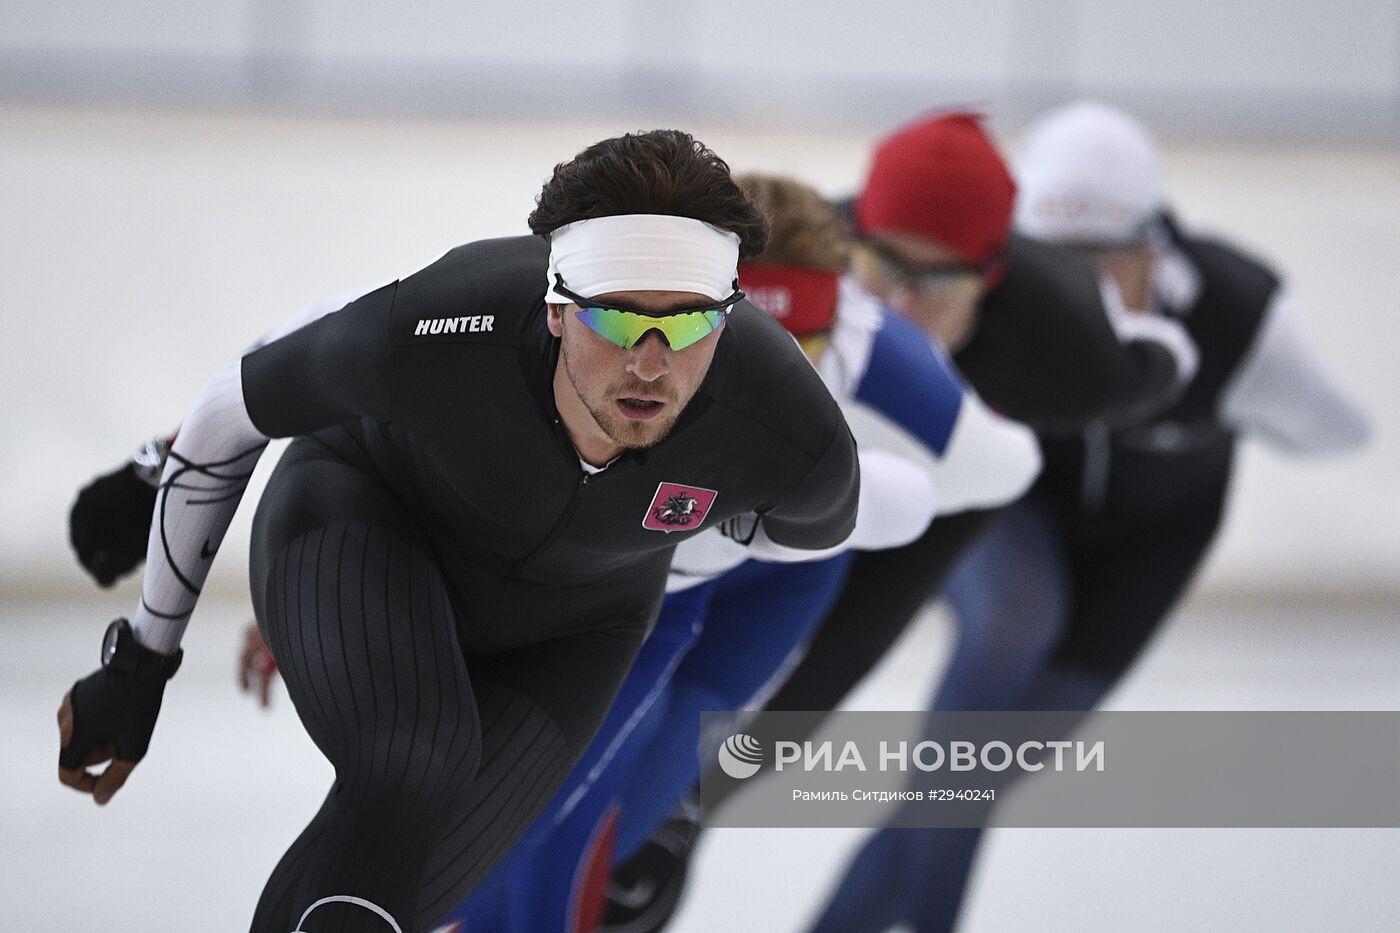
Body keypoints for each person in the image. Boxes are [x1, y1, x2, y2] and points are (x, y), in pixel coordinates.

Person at [55, 129, 863, 933]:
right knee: (416, 760)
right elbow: (234, 406)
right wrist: (142, 662)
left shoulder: (785, 420)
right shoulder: (455, 316)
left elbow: (820, 527)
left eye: (686, 327)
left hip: (583, 623)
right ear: (555, 309)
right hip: (368, 518)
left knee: (412, 889)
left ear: (726, 317)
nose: (651, 363)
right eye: (617, 323)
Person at [609, 110, 1202, 933]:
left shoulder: (1062, 341)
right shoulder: (801, 247)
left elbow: (1161, 363)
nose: (899, 300)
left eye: (939, 282)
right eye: (881, 265)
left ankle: (680, 814)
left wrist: (1181, 333)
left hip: (935, 505)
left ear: (990, 277)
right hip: (775, 481)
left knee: (810, 690)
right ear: (853, 236)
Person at [806, 101, 1371, 933]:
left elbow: (1339, 431)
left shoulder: (1238, 321)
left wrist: (1249, 403)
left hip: (1141, 555)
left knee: (965, 784)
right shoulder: (987, 296)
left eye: (1099, 265)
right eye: (1046, 263)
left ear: (1158, 248)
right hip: (1014, 516)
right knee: (1015, 623)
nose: (1071, 295)